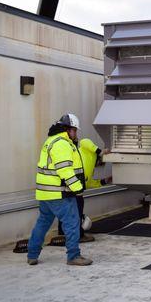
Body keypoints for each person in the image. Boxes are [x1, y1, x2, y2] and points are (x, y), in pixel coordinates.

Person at [27, 114, 93, 266]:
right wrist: (78, 188)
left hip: (45, 193)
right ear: (67, 129)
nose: (76, 134)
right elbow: (65, 170)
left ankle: (32, 254)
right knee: (72, 223)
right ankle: (74, 256)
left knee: (42, 223)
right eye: (75, 130)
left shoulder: (50, 141)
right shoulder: (62, 144)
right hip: (60, 193)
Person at [56, 138, 111, 244]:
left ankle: (63, 234)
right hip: (71, 185)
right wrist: (100, 151)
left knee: (69, 211)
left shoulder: (91, 168)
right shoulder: (89, 152)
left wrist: (105, 181)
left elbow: (89, 183)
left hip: (73, 187)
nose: (100, 164)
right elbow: (84, 141)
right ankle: (77, 235)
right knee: (76, 209)